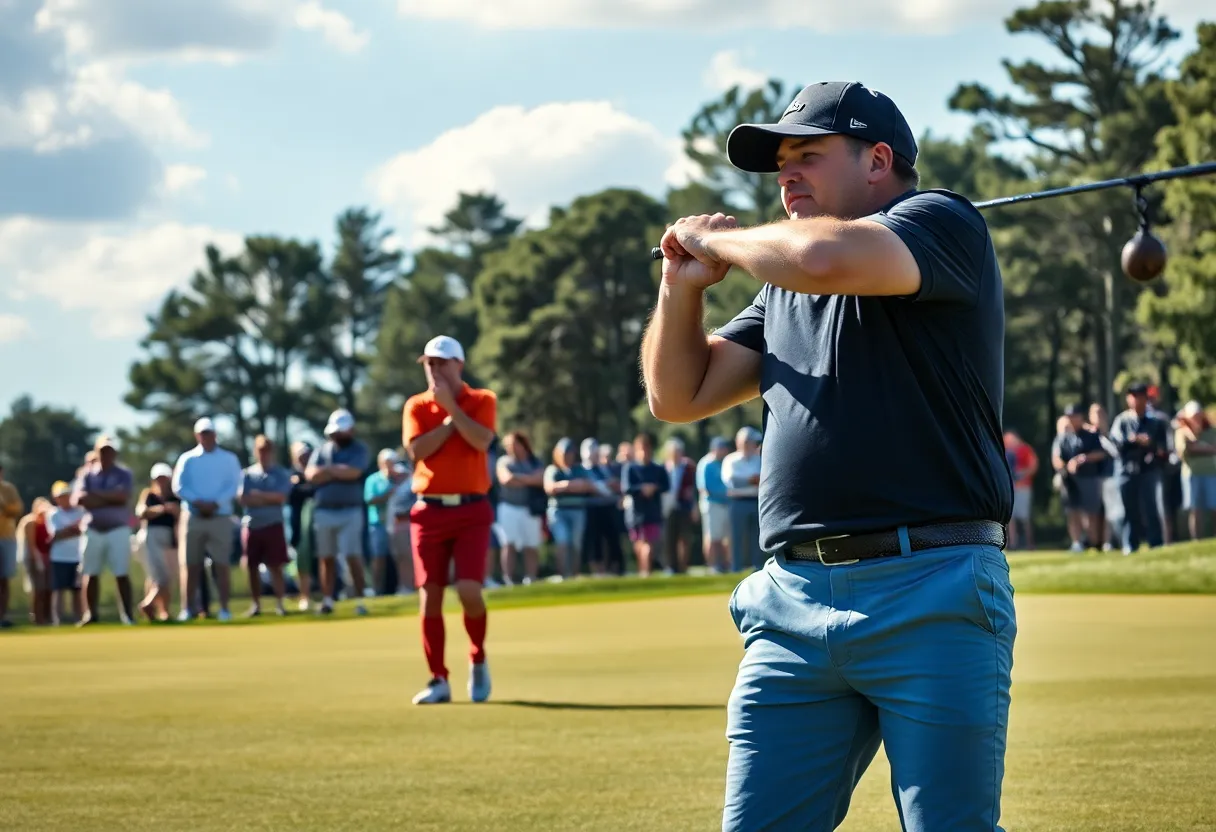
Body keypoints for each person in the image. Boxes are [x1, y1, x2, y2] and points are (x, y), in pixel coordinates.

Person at [641, 81, 1015, 831]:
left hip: (930, 588)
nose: (786, 178)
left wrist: (718, 241)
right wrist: (680, 288)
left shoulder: (941, 222)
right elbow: (678, 395)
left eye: (807, 156)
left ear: (877, 161)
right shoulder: (783, 285)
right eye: (780, 164)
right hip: (790, 603)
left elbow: (825, 259)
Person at [402, 335, 497, 705]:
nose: (434, 369)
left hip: (472, 510)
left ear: (459, 364)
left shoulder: (482, 400)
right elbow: (417, 450)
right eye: (429, 363)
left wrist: (452, 410)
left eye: (441, 363)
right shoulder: (416, 406)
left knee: (470, 591)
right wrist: (446, 417)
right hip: (428, 512)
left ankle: (478, 656)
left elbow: (482, 440)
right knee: (430, 599)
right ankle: (438, 678)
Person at [173, 417, 242, 621]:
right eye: (203, 433)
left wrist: (215, 503)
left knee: (221, 564)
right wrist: (199, 502)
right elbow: (179, 486)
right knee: (191, 565)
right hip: (194, 515)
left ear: (215, 434)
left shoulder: (229, 458)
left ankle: (224, 609)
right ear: (197, 436)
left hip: (220, 516)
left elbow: (235, 485)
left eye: (209, 433)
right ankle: (187, 609)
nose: (207, 437)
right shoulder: (187, 459)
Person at [306, 409, 372, 615]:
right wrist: (336, 471)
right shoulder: (322, 450)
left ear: (350, 430)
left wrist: (326, 472)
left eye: (341, 432)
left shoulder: (359, 449)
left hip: (350, 511)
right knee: (326, 557)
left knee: (353, 556)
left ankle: (360, 600)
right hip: (324, 510)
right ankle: (327, 600)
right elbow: (310, 474)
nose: (337, 436)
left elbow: (353, 472)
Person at [72, 435, 135, 625]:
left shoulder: (124, 473)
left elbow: (122, 497)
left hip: (118, 528)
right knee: (90, 573)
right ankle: (90, 614)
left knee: (121, 573)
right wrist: (109, 497)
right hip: (93, 529)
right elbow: (79, 499)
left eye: (110, 451)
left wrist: (96, 496)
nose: (106, 454)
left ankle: (127, 616)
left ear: (114, 453)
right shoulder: (87, 474)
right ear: (97, 452)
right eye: (103, 451)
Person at [1110, 382, 1171, 554]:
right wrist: (1134, 440)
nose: (1136, 400)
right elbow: (1116, 444)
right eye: (1133, 396)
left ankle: (1156, 542)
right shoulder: (1121, 421)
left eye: (1140, 396)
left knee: (1151, 507)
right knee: (1130, 510)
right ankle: (1130, 543)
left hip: (1148, 469)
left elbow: (1163, 446)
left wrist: (1149, 443)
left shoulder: (1155, 421)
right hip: (1126, 470)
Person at [239, 435, 293, 616]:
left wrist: (259, 496)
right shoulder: (247, 474)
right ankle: (256, 605)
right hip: (252, 526)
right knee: (251, 567)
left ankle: (280, 604)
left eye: (267, 451)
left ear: (272, 452)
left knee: (276, 566)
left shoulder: (280, 473)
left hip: (273, 525)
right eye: (260, 451)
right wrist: (267, 497)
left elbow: (280, 497)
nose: (263, 454)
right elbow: (243, 498)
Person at [1051, 404, 1109, 552]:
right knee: (1073, 512)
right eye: (1069, 417)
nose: (1072, 420)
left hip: (1089, 477)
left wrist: (1084, 458)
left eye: (1075, 416)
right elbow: (1056, 457)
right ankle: (1077, 543)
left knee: (1091, 512)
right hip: (1069, 480)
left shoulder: (1090, 435)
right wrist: (1065, 466)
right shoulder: (1063, 437)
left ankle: (1094, 542)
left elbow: (1101, 453)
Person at [494, 431, 545, 585]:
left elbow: (541, 479)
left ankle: (531, 578)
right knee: (509, 544)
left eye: (516, 445)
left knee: (531, 545)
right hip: (509, 507)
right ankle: (508, 579)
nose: (513, 449)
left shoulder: (535, 462)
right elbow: (506, 479)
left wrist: (519, 478)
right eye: (510, 446)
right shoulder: (504, 462)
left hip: (529, 509)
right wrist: (530, 479)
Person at [134, 463, 180, 622]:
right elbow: (141, 513)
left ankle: (163, 611)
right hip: (151, 537)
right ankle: (148, 604)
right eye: (159, 478)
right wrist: (162, 509)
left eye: (164, 478)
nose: (162, 481)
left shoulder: (175, 497)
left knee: (167, 575)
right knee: (159, 577)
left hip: (170, 539)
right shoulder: (148, 495)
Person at [543, 437, 593, 581]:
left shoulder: (580, 469)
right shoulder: (553, 470)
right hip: (558, 512)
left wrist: (564, 486)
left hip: (578, 511)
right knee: (563, 542)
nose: (567, 457)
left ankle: (574, 576)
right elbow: (550, 488)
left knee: (576, 544)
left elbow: (587, 485)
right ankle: (562, 576)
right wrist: (569, 485)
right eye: (565, 454)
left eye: (570, 453)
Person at [620, 432, 669, 577]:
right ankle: (643, 572)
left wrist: (654, 488)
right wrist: (642, 489)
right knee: (639, 544)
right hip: (635, 514)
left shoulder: (658, 469)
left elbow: (666, 486)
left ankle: (647, 573)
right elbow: (626, 488)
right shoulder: (630, 469)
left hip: (653, 513)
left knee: (648, 544)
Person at [721, 427, 763, 571]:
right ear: (738, 443)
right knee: (736, 536)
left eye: (750, 442)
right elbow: (732, 481)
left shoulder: (759, 459)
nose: (748, 445)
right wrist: (751, 479)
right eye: (745, 442)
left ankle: (758, 567)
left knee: (757, 536)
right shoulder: (731, 460)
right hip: (737, 501)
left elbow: (763, 478)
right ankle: (736, 567)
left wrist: (751, 480)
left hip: (755, 501)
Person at [1174, 401, 1216, 540]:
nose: (1196, 418)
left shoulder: (1211, 431)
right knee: (1195, 509)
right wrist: (1192, 435)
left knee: (1214, 507)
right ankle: (1196, 539)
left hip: (1211, 473)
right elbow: (1184, 451)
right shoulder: (1181, 432)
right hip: (1191, 475)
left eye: (1198, 415)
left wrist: (1196, 447)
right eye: (1193, 416)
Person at [45, 482, 84, 626]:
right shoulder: (53, 514)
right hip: (59, 557)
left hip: (78, 556)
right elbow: (55, 535)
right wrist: (74, 528)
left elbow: (82, 529)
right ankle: (58, 621)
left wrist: (68, 531)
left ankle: (79, 619)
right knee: (58, 590)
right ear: (56, 498)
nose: (66, 498)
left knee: (77, 590)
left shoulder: (80, 511)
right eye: (62, 496)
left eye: (67, 495)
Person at [364, 448, 401, 596]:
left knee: (400, 557)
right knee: (378, 558)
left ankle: (401, 587)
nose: (389, 466)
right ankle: (377, 589)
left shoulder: (400, 477)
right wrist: (387, 495)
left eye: (391, 462)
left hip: (397, 524)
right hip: (378, 524)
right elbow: (370, 500)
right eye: (386, 463)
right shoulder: (373, 480)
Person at [696, 437, 732, 573]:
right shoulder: (707, 463)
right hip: (711, 504)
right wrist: (728, 493)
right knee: (713, 537)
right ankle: (712, 565)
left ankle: (723, 564)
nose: (724, 451)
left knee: (724, 538)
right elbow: (706, 488)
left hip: (724, 503)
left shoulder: (722, 463)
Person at [17, 496, 53, 625]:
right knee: (38, 589)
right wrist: (39, 562)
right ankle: (37, 618)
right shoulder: (30, 522)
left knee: (48, 588)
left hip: (46, 559)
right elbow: (32, 546)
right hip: (33, 559)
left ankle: (48, 617)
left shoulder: (48, 523)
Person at [1003, 428, 1038, 550]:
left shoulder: (1025, 449)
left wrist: (1021, 474)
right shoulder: (1004, 449)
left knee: (1024, 518)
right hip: (1009, 488)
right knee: (1009, 518)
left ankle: (1030, 544)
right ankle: (1012, 544)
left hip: (1023, 487)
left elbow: (1033, 466)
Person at [0, 461, 24, 629]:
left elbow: (16, 510)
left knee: (4, 579)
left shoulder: (8, 490)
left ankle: (2, 616)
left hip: (6, 537)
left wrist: (2, 503)